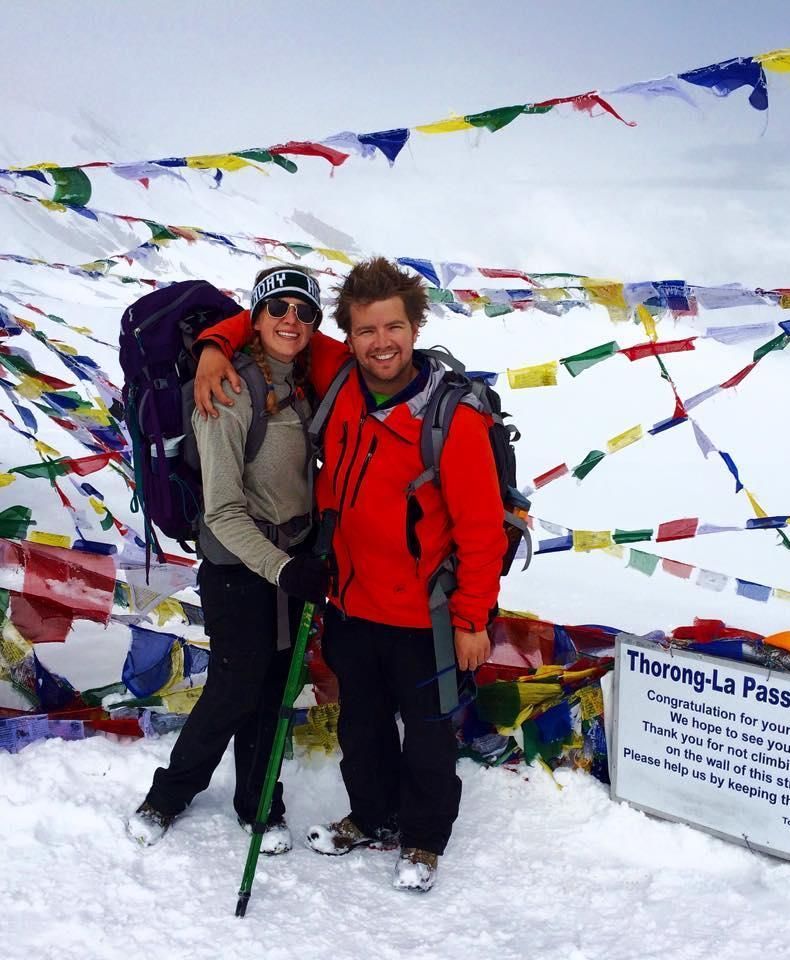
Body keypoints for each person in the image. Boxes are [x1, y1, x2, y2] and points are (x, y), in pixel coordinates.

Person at [190, 257, 506, 892]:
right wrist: (213, 347)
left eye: (394, 327)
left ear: (415, 328)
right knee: (361, 727)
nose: (380, 343)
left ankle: (423, 840)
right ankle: (372, 816)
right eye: (366, 330)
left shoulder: (454, 418)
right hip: (352, 602)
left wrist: (473, 619)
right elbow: (276, 325)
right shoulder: (339, 376)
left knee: (428, 733)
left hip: (426, 613)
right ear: (349, 336)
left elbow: (482, 532)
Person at [126, 266, 330, 852]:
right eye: (277, 308)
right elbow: (221, 512)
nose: (290, 319)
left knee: (275, 689)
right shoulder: (228, 391)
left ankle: (259, 802)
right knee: (235, 689)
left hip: (292, 561)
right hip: (239, 566)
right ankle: (168, 795)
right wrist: (285, 568)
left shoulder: (302, 386)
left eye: (304, 311)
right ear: (255, 318)